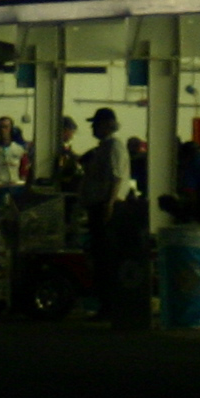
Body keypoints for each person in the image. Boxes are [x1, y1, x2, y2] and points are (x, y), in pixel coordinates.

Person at [76, 108, 123, 310]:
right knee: (100, 257)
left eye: (96, 124)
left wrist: (109, 204)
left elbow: (117, 176)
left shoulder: (114, 147)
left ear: (106, 125)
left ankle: (109, 305)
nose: (92, 127)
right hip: (99, 206)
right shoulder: (104, 147)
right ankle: (105, 304)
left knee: (105, 258)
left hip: (105, 208)